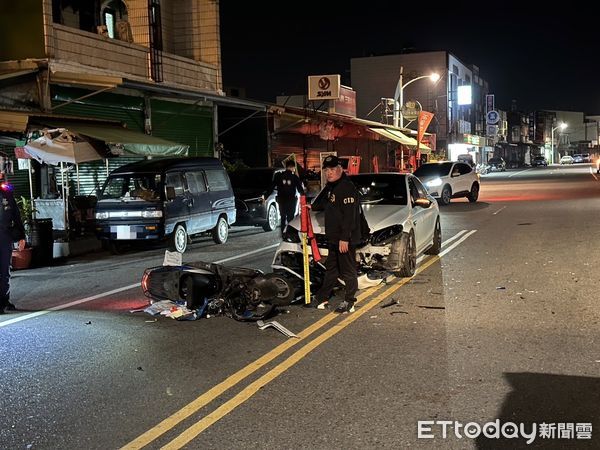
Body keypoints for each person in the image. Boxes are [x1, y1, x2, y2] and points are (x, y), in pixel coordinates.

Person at [309, 155, 361, 313]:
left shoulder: (346, 187)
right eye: (326, 170)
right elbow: (319, 204)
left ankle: (350, 301)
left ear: (340, 169)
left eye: (332, 169)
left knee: (348, 270)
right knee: (331, 269)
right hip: (333, 238)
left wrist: (344, 238)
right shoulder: (332, 187)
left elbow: (349, 216)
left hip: (344, 238)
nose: (329, 173)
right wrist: (309, 205)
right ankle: (322, 297)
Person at [0, 172, 26, 314]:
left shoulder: (6, 193)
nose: (1, 173)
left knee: (4, 270)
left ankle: (4, 300)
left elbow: (16, 214)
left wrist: (21, 236)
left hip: (4, 236)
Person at [264, 160, 304, 235]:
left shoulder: (279, 176)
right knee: (290, 218)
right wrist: (304, 197)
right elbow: (300, 189)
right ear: (292, 167)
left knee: (283, 217)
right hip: (291, 200)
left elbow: (271, 187)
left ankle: (283, 233)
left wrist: (266, 196)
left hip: (281, 200)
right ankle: (290, 233)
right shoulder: (294, 177)